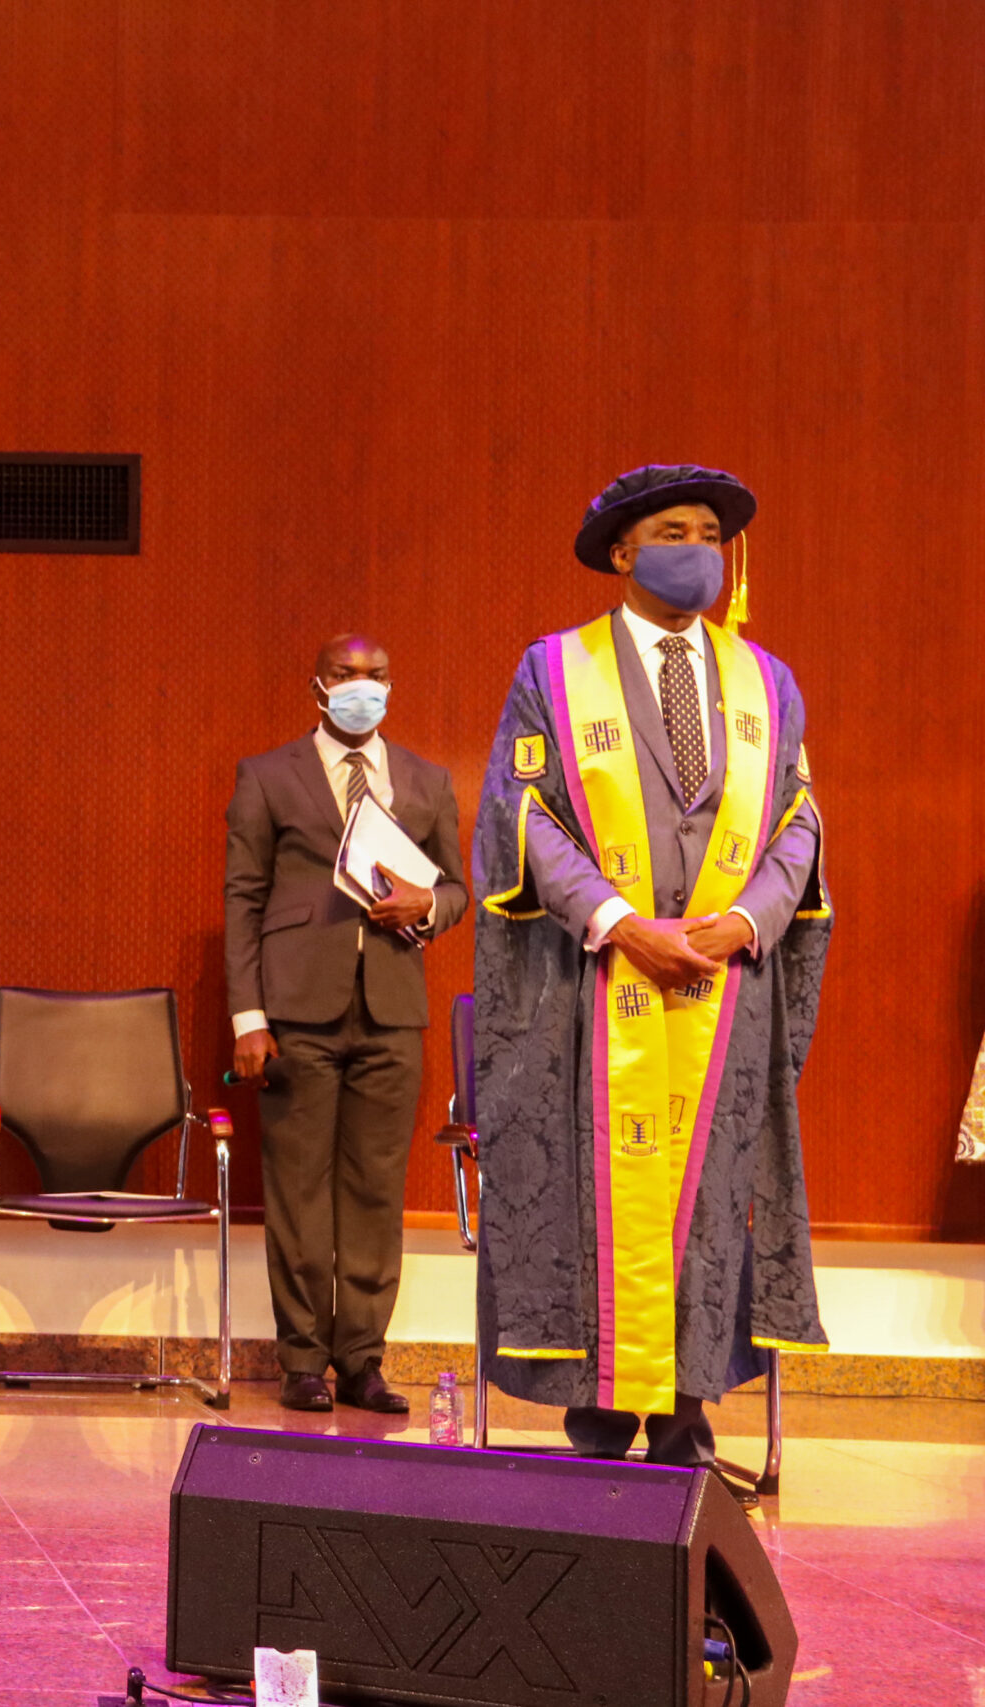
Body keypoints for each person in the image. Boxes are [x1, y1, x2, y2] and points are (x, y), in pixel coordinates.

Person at [472, 464, 828, 1467]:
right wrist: (620, 920)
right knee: (599, 1195)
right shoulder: (553, 672)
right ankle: (597, 1424)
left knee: (709, 1199)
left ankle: (684, 1426)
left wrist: (745, 921)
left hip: (722, 989)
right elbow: (521, 815)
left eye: (712, 535)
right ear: (623, 551)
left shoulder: (767, 683)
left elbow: (799, 822)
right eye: (675, 532)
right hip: (594, 989)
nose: (699, 552)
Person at [225, 635, 469, 1414]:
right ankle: (302, 1358)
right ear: (318, 686)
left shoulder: (428, 780)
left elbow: (458, 889)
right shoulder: (268, 775)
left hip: (392, 1014)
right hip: (296, 1013)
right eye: (346, 674)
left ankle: (362, 1359)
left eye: (376, 675)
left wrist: (427, 905)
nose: (363, 687)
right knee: (298, 1189)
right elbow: (243, 898)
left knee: (374, 1190)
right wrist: (249, 1016)